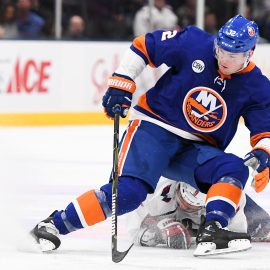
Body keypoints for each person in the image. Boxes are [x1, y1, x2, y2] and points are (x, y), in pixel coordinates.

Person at [31, 14, 270, 256]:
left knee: (234, 169)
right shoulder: (194, 42)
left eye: (232, 55)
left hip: (195, 149)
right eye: (221, 50)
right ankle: (54, 224)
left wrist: (264, 152)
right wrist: (123, 78)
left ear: (249, 54)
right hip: (153, 129)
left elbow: (264, 131)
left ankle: (212, 232)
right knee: (128, 193)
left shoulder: (258, 86)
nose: (223, 58)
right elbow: (145, 45)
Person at [126, 177, 270, 249]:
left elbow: (236, 236)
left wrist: (219, 234)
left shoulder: (229, 199)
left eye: (193, 206)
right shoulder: (157, 192)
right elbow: (135, 231)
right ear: (177, 190)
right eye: (184, 201)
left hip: (216, 188)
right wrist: (158, 233)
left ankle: (263, 225)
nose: (187, 207)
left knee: (262, 227)